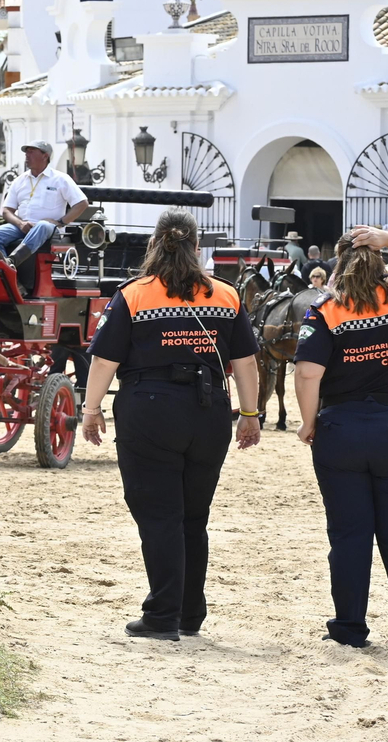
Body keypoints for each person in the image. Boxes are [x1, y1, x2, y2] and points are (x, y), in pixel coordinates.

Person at [81, 209, 262, 642]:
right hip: (209, 410)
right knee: (194, 517)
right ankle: (189, 612)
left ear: (153, 247)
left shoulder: (134, 294)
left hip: (151, 408)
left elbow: (105, 359)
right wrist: (251, 415)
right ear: (198, 249)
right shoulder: (225, 294)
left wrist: (91, 409)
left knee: (159, 514)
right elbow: (245, 363)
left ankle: (162, 615)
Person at [294, 226, 388, 649]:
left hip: (341, 427)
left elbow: (307, 373)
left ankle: (350, 628)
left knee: (349, 535)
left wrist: (307, 421)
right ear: (378, 260)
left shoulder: (325, 310)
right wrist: (386, 238)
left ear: (337, 266)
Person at [0, 140, 89, 268]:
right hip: (23, 226)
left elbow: (82, 203)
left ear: (45, 156)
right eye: (26, 152)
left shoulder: (60, 179)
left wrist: (61, 222)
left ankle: (12, 261)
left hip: (49, 229)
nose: (27, 155)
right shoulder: (19, 180)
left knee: (43, 225)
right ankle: (4, 274)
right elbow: (6, 210)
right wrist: (20, 224)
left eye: (31, 152)